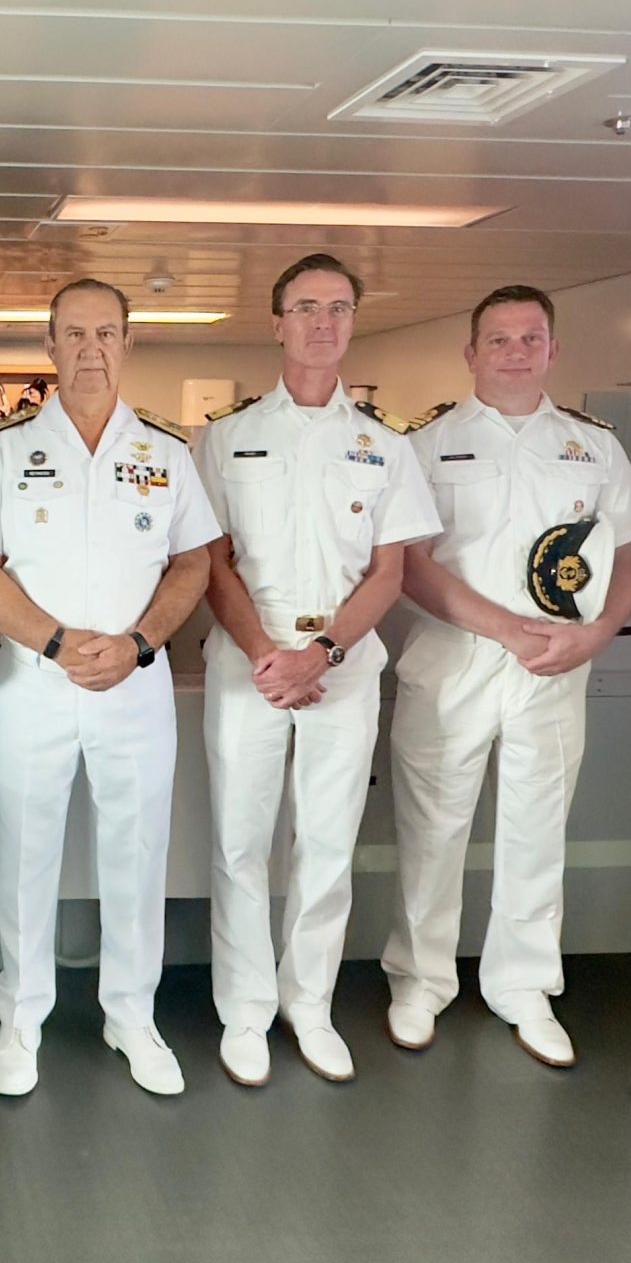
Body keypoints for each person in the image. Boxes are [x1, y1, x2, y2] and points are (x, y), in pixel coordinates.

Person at [0, 279, 217, 1097]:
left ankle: (131, 1015)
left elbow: (193, 563)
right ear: (50, 344)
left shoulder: (166, 453)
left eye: (106, 333)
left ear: (128, 342)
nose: (90, 349)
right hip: (36, 682)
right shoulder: (5, 451)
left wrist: (138, 643)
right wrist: (59, 643)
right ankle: (21, 1016)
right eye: (74, 333)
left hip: (134, 686)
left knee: (137, 853)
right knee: (24, 853)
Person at [383, 284, 631, 1067]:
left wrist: (599, 632)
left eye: (531, 338)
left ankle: (524, 986)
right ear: (471, 353)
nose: (515, 352)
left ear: (553, 350)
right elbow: (407, 564)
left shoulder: (593, 447)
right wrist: (501, 627)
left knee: (537, 830)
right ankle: (420, 980)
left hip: (554, 667)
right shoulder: (424, 445)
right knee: (432, 829)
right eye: (498, 339)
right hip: (452, 663)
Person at [192, 254, 439, 1088]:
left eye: (337, 307)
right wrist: (268, 654)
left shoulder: (385, 445)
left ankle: (310, 1005)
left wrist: (321, 653)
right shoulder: (225, 436)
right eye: (305, 306)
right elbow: (212, 562)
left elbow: (389, 572)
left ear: (353, 322)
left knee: (328, 845)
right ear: (277, 322)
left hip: (343, 665)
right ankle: (246, 1010)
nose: (322, 322)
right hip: (249, 663)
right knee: (241, 844)